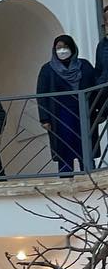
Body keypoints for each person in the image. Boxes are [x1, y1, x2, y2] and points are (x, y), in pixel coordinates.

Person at [37, 34, 97, 176]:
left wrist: (99, 110)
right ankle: (66, 177)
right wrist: (44, 118)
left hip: (84, 113)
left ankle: (89, 176)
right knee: (64, 146)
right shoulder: (47, 69)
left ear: (72, 48)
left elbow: (95, 87)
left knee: (85, 146)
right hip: (60, 115)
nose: (62, 50)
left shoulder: (84, 66)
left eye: (65, 47)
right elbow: (41, 94)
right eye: (58, 47)